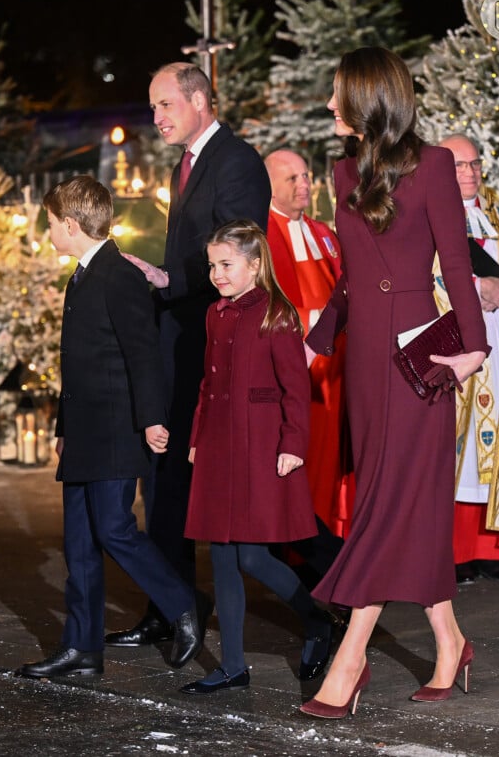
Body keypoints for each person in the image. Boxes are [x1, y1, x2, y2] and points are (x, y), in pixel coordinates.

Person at [299, 47, 489, 719]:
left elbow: (458, 267)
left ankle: (350, 658)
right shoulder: (343, 169)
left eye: (337, 94)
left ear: (368, 98)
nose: (328, 106)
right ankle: (451, 641)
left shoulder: (433, 164)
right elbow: (352, 272)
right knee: (392, 497)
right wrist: (319, 334)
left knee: (383, 504)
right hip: (364, 364)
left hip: (420, 364)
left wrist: (473, 348)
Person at [104, 62, 272, 649]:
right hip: (180, 340)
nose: (156, 118)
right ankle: (170, 605)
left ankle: (322, 599)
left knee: (191, 477)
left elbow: (239, 253)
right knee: (164, 474)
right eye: (153, 107)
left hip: (215, 348)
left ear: (200, 100)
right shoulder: (188, 165)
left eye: (165, 105)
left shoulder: (237, 161)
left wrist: (169, 279)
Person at [15, 176, 205, 679]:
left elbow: (142, 354)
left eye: (52, 223)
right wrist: (62, 425)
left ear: (72, 225)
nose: (49, 230)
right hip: (83, 432)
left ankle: (183, 605)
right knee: (78, 541)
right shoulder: (79, 277)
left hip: (118, 430)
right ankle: (82, 648)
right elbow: (75, 363)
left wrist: (152, 420)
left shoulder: (118, 275)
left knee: (115, 530)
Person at [179, 220, 333, 695]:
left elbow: (294, 387)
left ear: (255, 264)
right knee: (222, 555)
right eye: (212, 265)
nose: (216, 274)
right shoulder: (215, 314)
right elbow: (208, 382)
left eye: (226, 264)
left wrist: (292, 444)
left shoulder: (276, 314)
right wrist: (198, 434)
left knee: (251, 555)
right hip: (219, 446)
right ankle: (233, 666)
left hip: (261, 444)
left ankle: (317, 619)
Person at [435, 134, 499, 584]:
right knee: (460, 447)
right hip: (458, 345)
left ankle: (492, 550)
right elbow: (426, 273)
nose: (470, 173)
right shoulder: (429, 218)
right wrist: (479, 288)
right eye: (459, 165)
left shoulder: (497, 219)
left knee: (495, 448)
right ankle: (451, 553)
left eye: (474, 164)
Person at [263, 149, 352, 587]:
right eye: (292, 178)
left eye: (306, 176)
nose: (304, 185)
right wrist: (312, 320)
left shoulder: (324, 234)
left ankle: (332, 543)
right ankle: (300, 553)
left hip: (336, 370)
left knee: (332, 461)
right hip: (299, 370)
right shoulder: (262, 236)